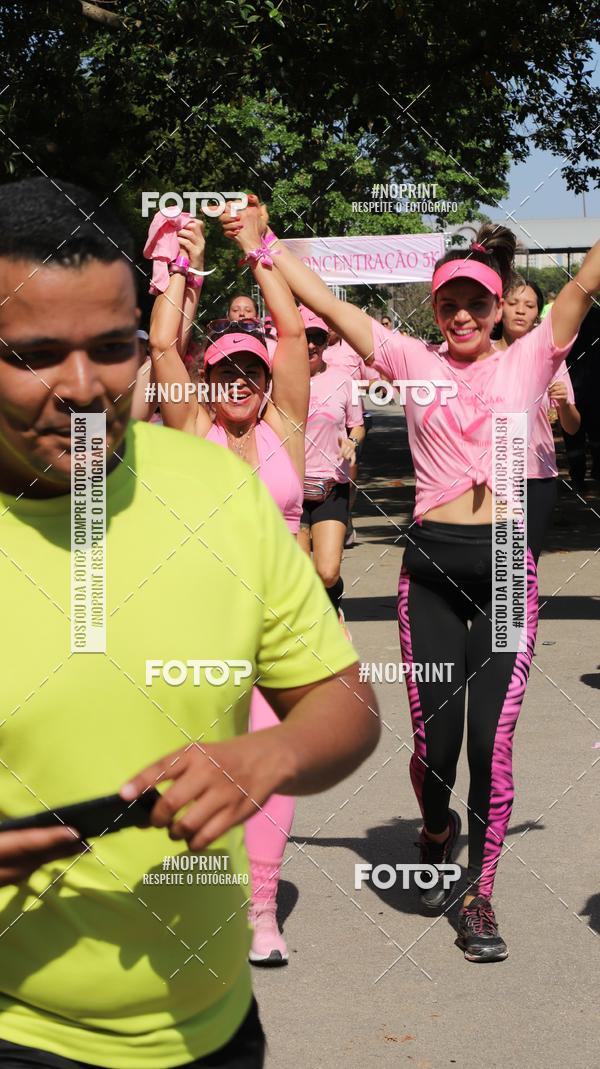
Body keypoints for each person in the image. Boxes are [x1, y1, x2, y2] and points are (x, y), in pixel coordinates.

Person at [0, 176, 380, 1068]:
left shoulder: (218, 495)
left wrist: (267, 755)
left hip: (216, 1032)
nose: (83, 388)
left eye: (113, 346)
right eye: (36, 353)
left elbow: (347, 703)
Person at [223, 197, 600, 962]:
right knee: (437, 746)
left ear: (499, 309)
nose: (463, 315)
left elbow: (586, 284)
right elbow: (323, 300)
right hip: (429, 567)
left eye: (477, 303)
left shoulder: (532, 357)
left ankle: (479, 893)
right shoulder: (411, 359)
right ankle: (435, 826)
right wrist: (262, 244)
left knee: (491, 742)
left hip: (501, 567)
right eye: (450, 303)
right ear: (437, 309)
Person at [148, 210, 311, 967]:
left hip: (281, 625)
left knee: (271, 766)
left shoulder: (287, 424)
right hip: (206, 628)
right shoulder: (192, 428)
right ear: (208, 378)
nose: (240, 381)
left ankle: (262, 911)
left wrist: (258, 251)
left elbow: (292, 329)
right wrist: (189, 265)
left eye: (251, 368)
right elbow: (158, 342)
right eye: (226, 370)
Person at [496, 277, 580, 560]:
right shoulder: (480, 356)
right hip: (491, 476)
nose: (521, 310)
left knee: (524, 561)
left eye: (529, 305)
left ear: (537, 314)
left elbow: (572, 425)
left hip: (537, 477)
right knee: (496, 561)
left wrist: (565, 404)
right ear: (499, 308)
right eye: (513, 303)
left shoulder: (551, 359)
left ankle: (518, 605)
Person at [296, 305, 365, 626]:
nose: (311, 345)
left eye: (318, 338)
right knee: (296, 573)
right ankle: (314, 626)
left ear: (326, 343)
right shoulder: (278, 379)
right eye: (305, 337)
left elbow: (357, 425)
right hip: (290, 491)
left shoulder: (343, 381)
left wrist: (353, 441)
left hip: (330, 487)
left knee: (326, 572)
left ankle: (332, 597)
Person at [561, 305, 600, 492]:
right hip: (589, 387)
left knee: (574, 438)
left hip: (574, 386)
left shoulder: (568, 318)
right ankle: (595, 472)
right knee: (595, 434)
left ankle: (578, 477)